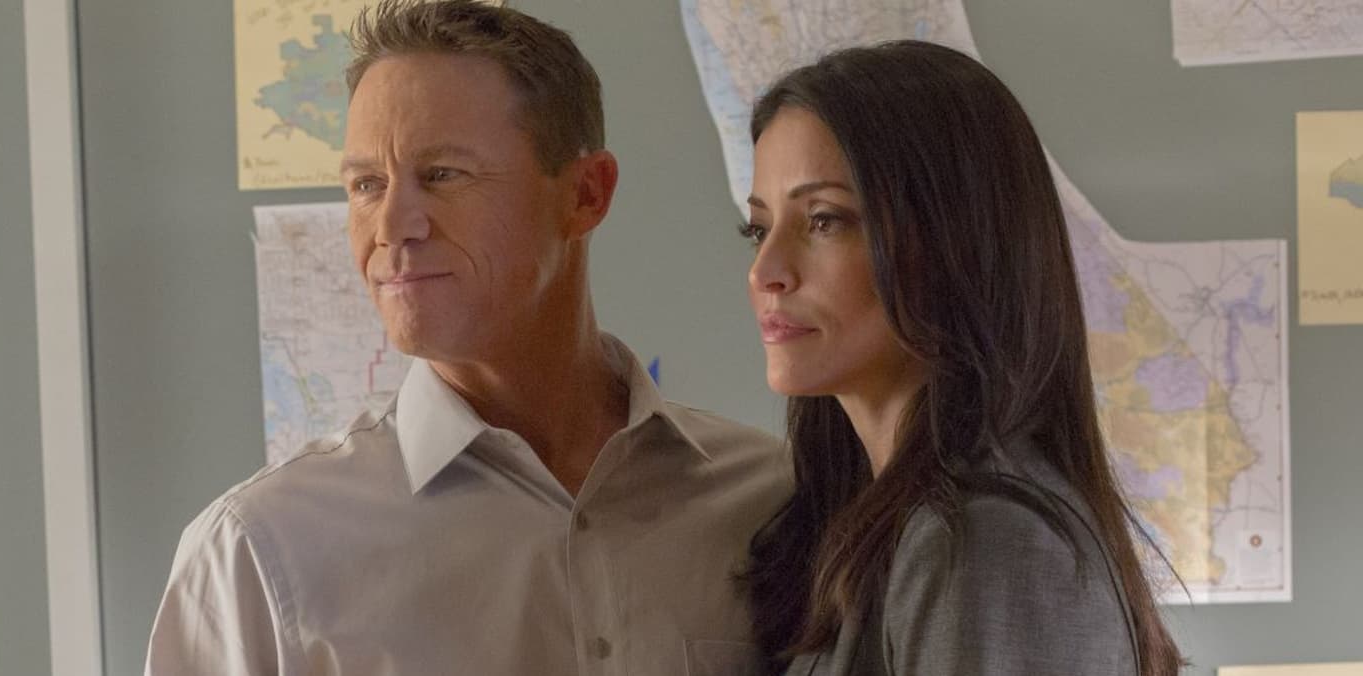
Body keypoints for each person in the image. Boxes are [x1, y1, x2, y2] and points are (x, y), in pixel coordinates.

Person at [145, 1, 790, 674]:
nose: (392, 226)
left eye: (442, 175)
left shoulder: (772, 501)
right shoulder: (257, 555)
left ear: (585, 195)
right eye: (366, 185)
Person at [735, 40, 1185, 675]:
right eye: (758, 229)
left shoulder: (982, 539)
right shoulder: (878, 524)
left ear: (952, 240)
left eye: (825, 220)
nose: (766, 271)